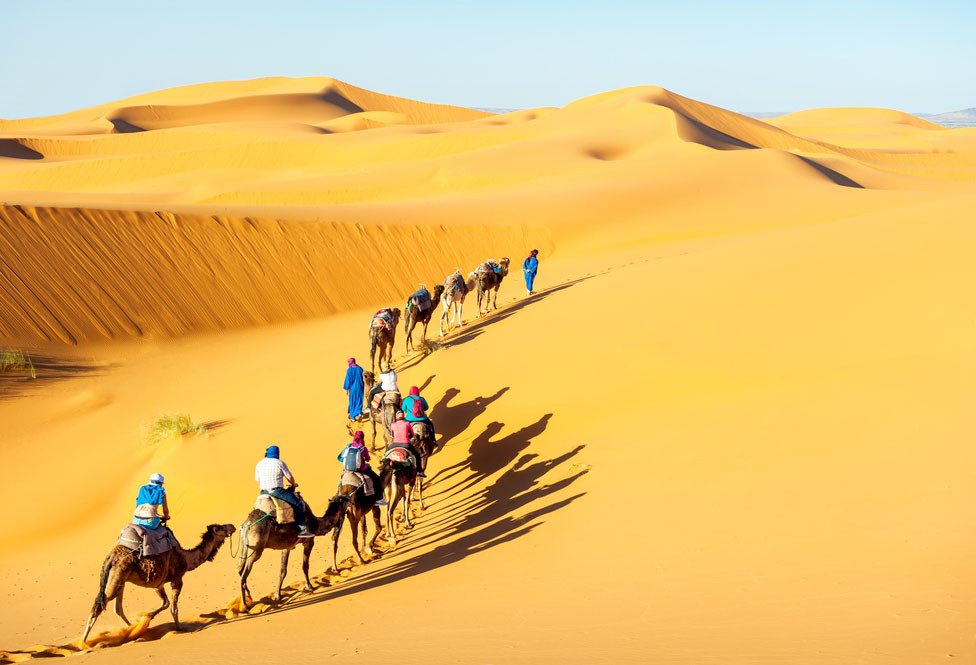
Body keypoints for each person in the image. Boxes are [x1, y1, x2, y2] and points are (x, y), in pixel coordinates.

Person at [255, 445, 312, 537]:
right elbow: (289, 477)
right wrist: (293, 484)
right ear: (277, 453)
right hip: (277, 492)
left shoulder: (259, 464)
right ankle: (301, 530)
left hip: (263, 493)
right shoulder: (279, 463)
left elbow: (257, 479)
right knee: (299, 504)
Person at [338, 431, 387, 505]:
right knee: (376, 479)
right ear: (362, 438)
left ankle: (338, 497)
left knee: (341, 482)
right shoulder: (363, 448)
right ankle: (378, 499)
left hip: (348, 470)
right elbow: (367, 459)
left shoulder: (348, 446)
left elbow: (340, 458)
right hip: (362, 470)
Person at [389, 411, 426, 478]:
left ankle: (383, 465)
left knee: (386, 453)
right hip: (406, 444)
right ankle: (419, 471)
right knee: (417, 455)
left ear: (396, 417)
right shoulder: (407, 423)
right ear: (403, 417)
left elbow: (392, 434)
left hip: (394, 444)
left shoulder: (392, 424)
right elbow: (412, 434)